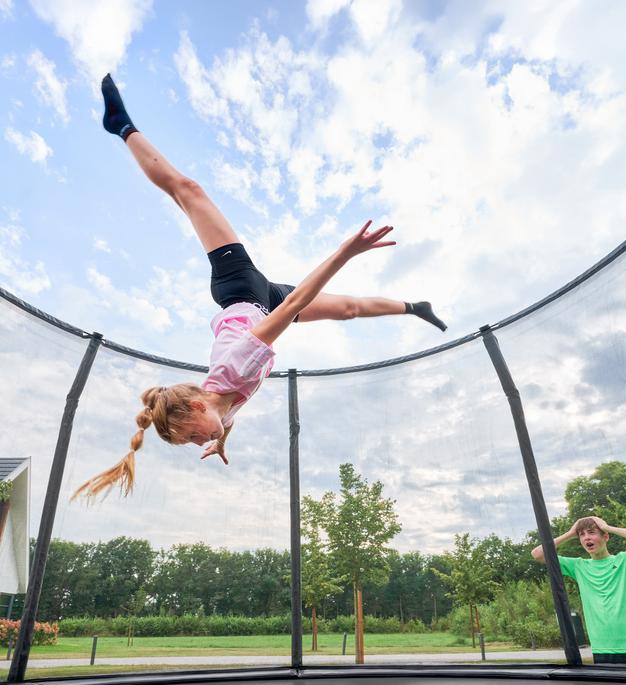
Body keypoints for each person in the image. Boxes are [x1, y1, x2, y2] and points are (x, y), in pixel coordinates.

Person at [73, 75, 448, 500]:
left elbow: (297, 302)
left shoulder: (234, 367)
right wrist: (221, 442)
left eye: (194, 436)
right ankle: (414, 306)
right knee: (348, 310)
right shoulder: (220, 410)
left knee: (189, 192)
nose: (199, 442)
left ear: (197, 405)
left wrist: (346, 252)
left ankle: (122, 126)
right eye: (195, 442)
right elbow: (225, 421)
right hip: (265, 304)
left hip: (240, 289)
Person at [531, 516, 626, 664]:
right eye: (582, 535)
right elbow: (538, 554)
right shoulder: (578, 566)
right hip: (602, 650)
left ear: (605, 537)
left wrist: (607, 527)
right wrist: (570, 533)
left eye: (591, 532)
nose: (587, 538)